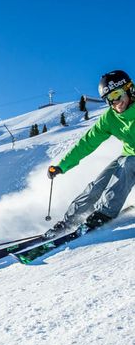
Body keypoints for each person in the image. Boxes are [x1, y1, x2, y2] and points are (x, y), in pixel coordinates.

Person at [46, 69, 135, 237]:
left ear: (129, 88)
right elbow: (87, 143)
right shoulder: (110, 118)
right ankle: (69, 222)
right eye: (109, 99)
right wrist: (62, 166)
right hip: (129, 157)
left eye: (116, 94)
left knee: (128, 163)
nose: (115, 102)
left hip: (131, 161)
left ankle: (103, 214)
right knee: (99, 183)